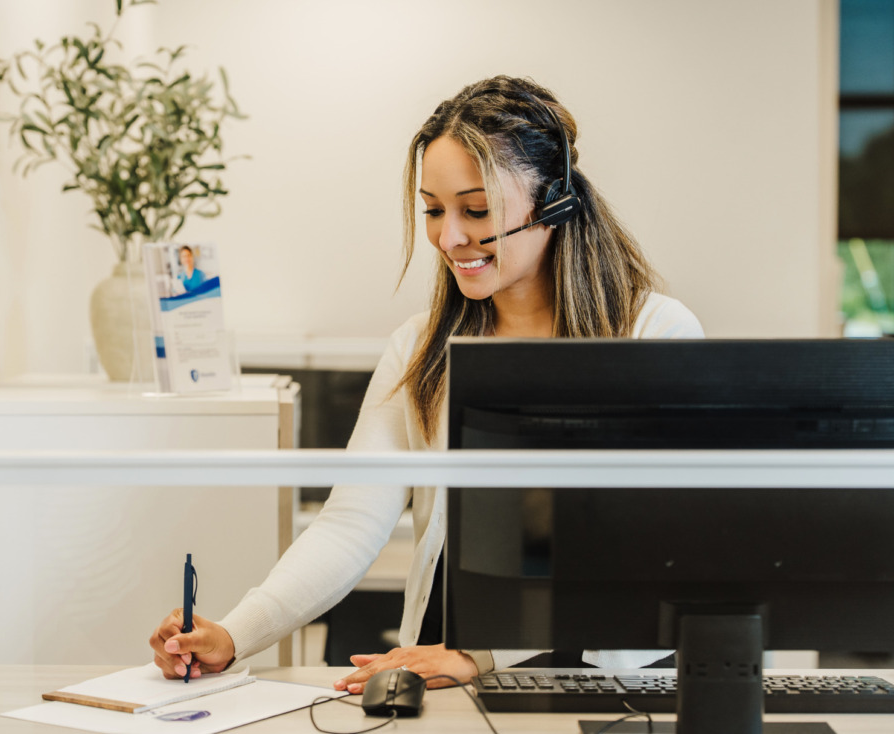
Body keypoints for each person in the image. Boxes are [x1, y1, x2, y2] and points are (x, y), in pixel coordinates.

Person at [148, 76, 703, 693]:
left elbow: (650, 551)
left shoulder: (654, 332)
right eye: (435, 210)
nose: (449, 237)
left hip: (603, 674)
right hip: (446, 665)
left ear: (555, 202)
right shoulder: (421, 349)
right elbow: (350, 524)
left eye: (477, 209)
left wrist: (484, 655)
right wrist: (233, 635)